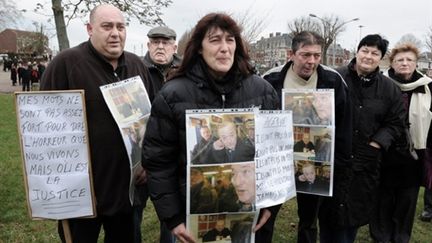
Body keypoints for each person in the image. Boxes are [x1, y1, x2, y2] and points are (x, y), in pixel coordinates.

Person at [142, 12, 279, 243]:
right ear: (198, 48)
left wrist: (272, 204)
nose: (224, 48)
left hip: (250, 219)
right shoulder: (172, 95)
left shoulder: (263, 91)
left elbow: (276, 156)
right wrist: (173, 219)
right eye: (215, 40)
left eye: (230, 40)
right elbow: (158, 161)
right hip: (190, 219)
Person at [40, 4, 152, 242]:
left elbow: (152, 123)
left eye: (120, 27)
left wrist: (148, 162)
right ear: (90, 29)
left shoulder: (137, 66)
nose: (115, 33)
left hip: (127, 191)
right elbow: (43, 127)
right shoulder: (66, 64)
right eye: (107, 26)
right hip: (82, 194)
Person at [263, 31, 352, 243]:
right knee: (265, 216)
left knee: (309, 220)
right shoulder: (271, 79)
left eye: (316, 55)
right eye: (305, 55)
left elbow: (344, 125)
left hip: (314, 163)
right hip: (277, 164)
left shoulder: (333, 80)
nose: (311, 61)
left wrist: (339, 165)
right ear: (291, 54)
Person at [321, 34, 405, 243]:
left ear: (381, 58)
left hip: (365, 163)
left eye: (375, 53)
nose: (368, 56)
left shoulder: (389, 89)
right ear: (357, 52)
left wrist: (376, 143)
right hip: (333, 159)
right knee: (327, 217)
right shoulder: (334, 78)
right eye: (365, 51)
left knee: (352, 217)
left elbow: (395, 123)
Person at [369, 43, 432, 242]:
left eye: (409, 60)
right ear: (392, 63)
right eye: (400, 60)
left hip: (414, 155)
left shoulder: (428, 87)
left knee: (407, 201)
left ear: (416, 63)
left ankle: (401, 237)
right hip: (384, 153)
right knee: (382, 199)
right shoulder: (381, 84)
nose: (405, 63)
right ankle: (381, 236)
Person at [135, 25, 180, 243]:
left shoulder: (186, 71)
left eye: (165, 42)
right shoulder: (135, 70)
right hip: (141, 156)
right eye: (155, 42)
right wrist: (139, 160)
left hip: (174, 158)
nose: (160, 47)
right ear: (148, 45)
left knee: (171, 216)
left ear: (175, 46)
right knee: (134, 212)